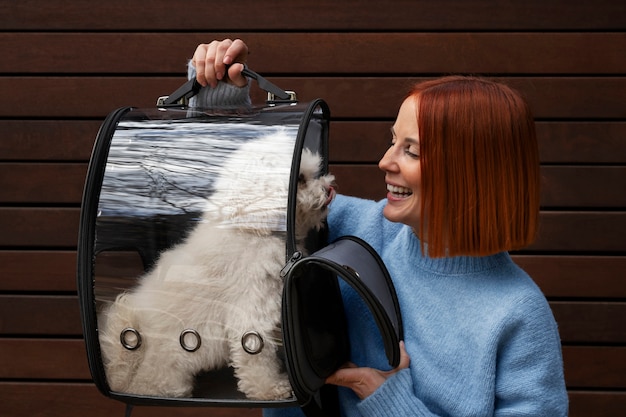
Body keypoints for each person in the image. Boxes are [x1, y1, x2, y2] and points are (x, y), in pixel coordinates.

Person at [188, 39, 569, 417]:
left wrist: (388, 400)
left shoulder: (518, 314)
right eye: (393, 141)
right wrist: (219, 104)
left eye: (412, 150)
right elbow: (233, 202)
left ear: (471, 175)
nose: (385, 161)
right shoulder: (348, 230)